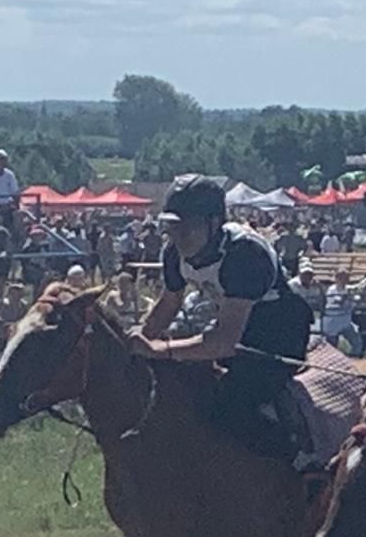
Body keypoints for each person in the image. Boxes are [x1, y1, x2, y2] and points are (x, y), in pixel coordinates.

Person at [128, 174, 313, 463]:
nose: (178, 236)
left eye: (188, 227)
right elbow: (169, 303)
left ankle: (295, 459)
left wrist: (159, 350)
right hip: (234, 320)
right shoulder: (173, 252)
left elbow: (224, 342)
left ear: (214, 223)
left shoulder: (244, 254)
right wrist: (138, 339)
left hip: (279, 330)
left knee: (231, 405)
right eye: (173, 227)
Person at [321, 267, 362, 354]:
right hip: (332, 323)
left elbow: (355, 301)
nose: (344, 280)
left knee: (357, 343)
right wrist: (349, 296)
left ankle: (354, 359)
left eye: (346, 277)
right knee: (331, 348)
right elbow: (339, 301)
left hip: (345, 322)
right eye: (341, 277)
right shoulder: (332, 290)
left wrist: (356, 298)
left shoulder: (348, 289)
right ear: (336, 278)